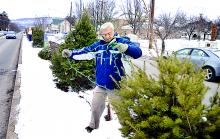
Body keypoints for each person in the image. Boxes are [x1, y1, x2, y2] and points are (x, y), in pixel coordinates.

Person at [62, 22, 142, 133]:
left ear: (113, 31)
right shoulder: (98, 45)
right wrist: (71, 54)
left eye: (109, 33)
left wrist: (126, 48)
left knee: (121, 110)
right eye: (104, 34)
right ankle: (93, 125)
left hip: (116, 85)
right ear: (101, 34)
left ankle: (128, 129)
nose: (107, 36)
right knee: (95, 107)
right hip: (101, 84)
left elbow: (138, 52)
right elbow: (85, 51)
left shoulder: (122, 42)